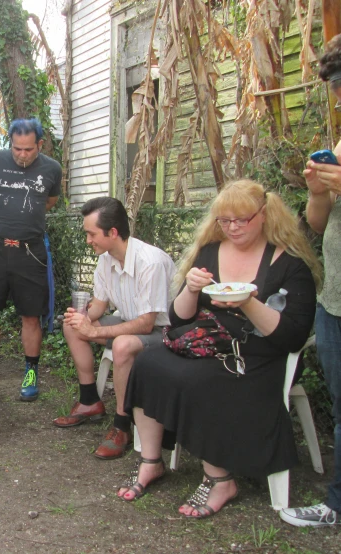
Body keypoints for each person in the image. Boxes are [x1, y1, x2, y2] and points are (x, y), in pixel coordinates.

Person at [117, 179, 321, 519]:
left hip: (259, 355)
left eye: (242, 219)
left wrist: (248, 303)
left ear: (265, 215)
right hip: (208, 342)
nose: (233, 227)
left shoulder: (290, 265)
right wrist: (192, 290)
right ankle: (151, 461)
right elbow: (180, 318)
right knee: (148, 362)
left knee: (202, 380)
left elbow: (291, 338)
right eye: (225, 220)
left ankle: (220, 479)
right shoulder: (211, 251)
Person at [56, 197, 175, 460]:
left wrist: (96, 332)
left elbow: (146, 324)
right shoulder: (106, 259)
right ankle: (90, 401)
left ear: (112, 232)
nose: (88, 240)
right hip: (130, 323)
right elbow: (99, 305)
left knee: (122, 344)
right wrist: (82, 316)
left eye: (91, 234)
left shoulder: (150, 262)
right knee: (72, 327)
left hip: (165, 332)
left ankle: (122, 426)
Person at [280, 33, 341, 528]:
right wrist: (318, 190)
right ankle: (337, 503)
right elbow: (319, 223)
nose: (339, 96)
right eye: (336, 86)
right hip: (336, 297)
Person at [0, 117, 61, 402]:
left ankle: (31, 373)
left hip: (31, 251)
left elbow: (50, 199)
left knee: (31, 317)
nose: (22, 155)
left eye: (28, 149)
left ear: (39, 144)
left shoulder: (51, 169)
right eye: (17, 149)